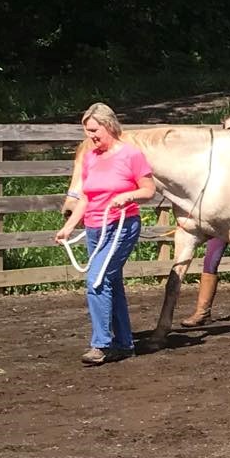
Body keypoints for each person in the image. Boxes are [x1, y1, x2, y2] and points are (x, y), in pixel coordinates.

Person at [54, 103, 154, 365]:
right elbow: (86, 197)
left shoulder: (131, 155)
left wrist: (127, 195)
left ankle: (101, 344)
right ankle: (124, 343)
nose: (91, 136)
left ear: (108, 126)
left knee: (96, 281)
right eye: (87, 131)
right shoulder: (91, 157)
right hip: (94, 228)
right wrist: (69, 226)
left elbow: (148, 190)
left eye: (94, 130)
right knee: (111, 283)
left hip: (121, 225)